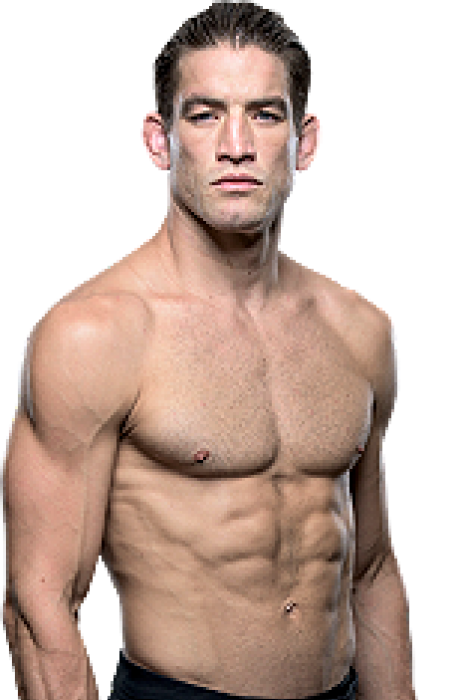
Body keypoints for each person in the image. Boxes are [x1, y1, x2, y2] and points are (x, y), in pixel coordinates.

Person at [3, 2, 416, 699]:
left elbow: (371, 569)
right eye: (204, 115)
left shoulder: (360, 330)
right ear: (158, 141)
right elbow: (42, 607)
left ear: (305, 142)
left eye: (265, 114)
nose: (236, 145)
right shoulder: (95, 334)